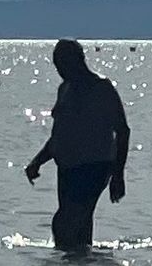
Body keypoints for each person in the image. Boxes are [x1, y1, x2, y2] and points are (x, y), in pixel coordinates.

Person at [23, 39, 130, 252]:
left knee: (64, 222)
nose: (60, 71)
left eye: (63, 65)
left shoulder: (101, 88)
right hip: (67, 168)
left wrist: (118, 175)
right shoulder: (65, 89)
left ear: (77, 61)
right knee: (79, 226)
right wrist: (37, 162)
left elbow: (122, 131)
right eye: (57, 66)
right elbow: (59, 136)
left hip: (95, 166)